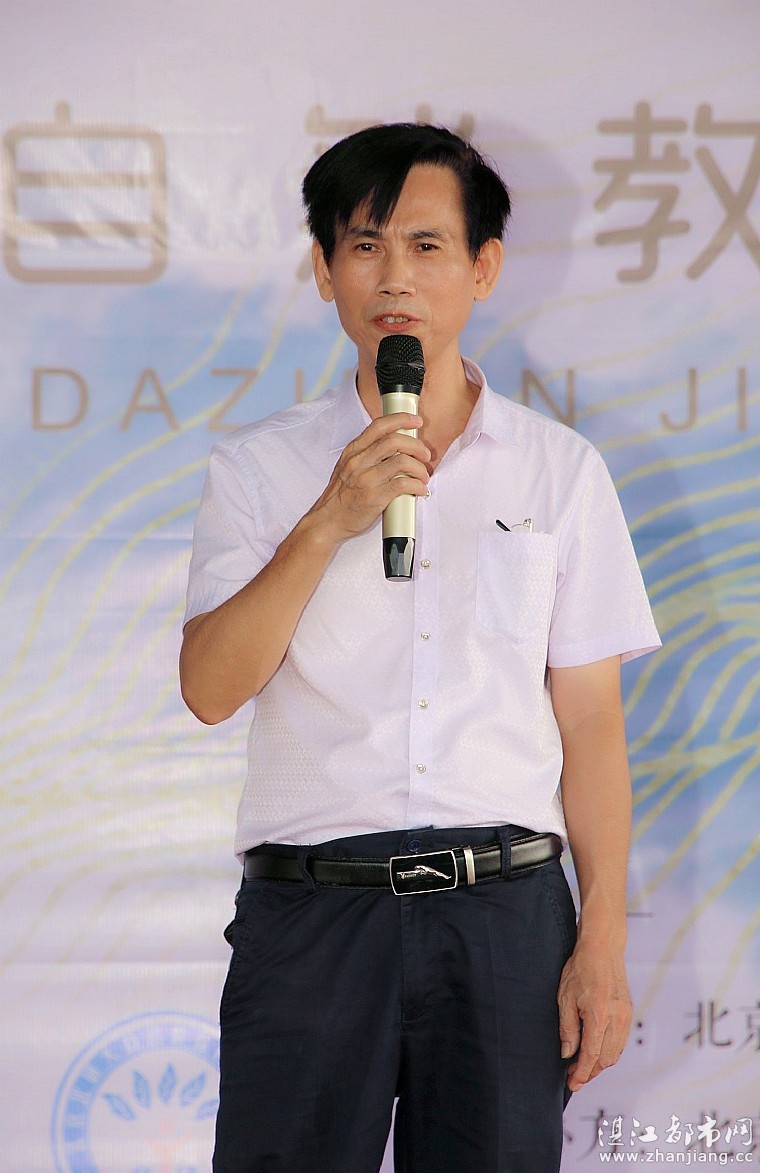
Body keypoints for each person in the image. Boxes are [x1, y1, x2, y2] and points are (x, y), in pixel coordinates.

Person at [180, 122, 660, 1173]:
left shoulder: (560, 471)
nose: (393, 275)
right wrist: (327, 521)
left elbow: (589, 724)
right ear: (324, 270)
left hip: (505, 916)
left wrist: (602, 942)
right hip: (312, 916)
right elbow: (210, 688)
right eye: (364, 245)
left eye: (426, 245)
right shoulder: (260, 471)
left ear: (483, 268)